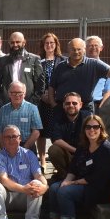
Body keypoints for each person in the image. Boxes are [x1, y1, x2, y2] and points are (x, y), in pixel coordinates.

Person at [47, 115, 110, 219]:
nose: (91, 130)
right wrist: (66, 181)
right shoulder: (83, 146)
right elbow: (73, 169)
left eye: (95, 127)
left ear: (101, 129)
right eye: (88, 127)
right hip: (81, 184)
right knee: (55, 187)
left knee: (65, 191)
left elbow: (96, 177)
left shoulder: (106, 148)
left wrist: (72, 183)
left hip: (97, 188)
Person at [0, 125, 48, 219]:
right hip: (8, 197)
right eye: (7, 137)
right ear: (3, 140)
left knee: (37, 183)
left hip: (26, 198)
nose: (11, 140)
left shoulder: (29, 154)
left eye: (14, 136)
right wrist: (23, 188)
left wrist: (45, 186)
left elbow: (39, 175)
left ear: (20, 138)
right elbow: (3, 179)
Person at [48, 37, 110, 113]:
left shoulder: (94, 64)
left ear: (84, 49)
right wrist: (53, 104)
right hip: (62, 108)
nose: (76, 52)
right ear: (68, 50)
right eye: (73, 49)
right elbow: (52, 86)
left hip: (85, 108)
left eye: (79, 49)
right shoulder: (60, 66)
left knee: (87, 126)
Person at [0, 31, 44, 109]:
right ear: (9, 43)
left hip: (28, 105)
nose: (15, 45)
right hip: (6, 106)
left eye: (18, 42)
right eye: (12, 42)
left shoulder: (34, 59)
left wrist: (33, 103)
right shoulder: (3, 60)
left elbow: (40, 84)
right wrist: (0, 102)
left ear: (24, 42)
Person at [37, 33, 67, 169]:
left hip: (58, 102)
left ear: (56, 45)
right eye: (46, 43)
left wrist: (54, 97)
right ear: (43, 46)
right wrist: (42, 95)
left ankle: (57, 162)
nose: (49, 45)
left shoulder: (63, 61)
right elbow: (35, 81)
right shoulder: (38, 61)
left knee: (57, 131)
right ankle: (42, 161)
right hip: (42, 102)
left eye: (52, 43)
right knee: (41, 132)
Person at [47, 92, 90, 180]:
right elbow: (56, 140)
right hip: (67, 155)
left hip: (85, 155)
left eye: (74, 103)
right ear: (63, 105)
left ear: (81, 105)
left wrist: (81, 152)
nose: (71, 105)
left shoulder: (88, 117)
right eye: (67, 103)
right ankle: (65, 176)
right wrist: (75, 151)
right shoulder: (57, 118)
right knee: (53, 150)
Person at [0, 81, 42, 151]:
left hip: (27, 146)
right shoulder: (3, 110)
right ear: (9, 94)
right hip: (8, 146)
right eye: (14, 93)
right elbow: (0, 132)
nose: (17, 95)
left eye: (20, 93)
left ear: (24, 94)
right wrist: (3, 150)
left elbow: (36, 132)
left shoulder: (32, 109)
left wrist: (24, 148)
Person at [85, 36, 110, 112]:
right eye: (90, 45)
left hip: (97, 105)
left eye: (96, 45)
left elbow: (109, 90)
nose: (93, 48)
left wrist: (102, 106)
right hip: (80, 104)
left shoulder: (106, 68)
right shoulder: (79, 66)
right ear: (85, 48)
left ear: (101, 48)